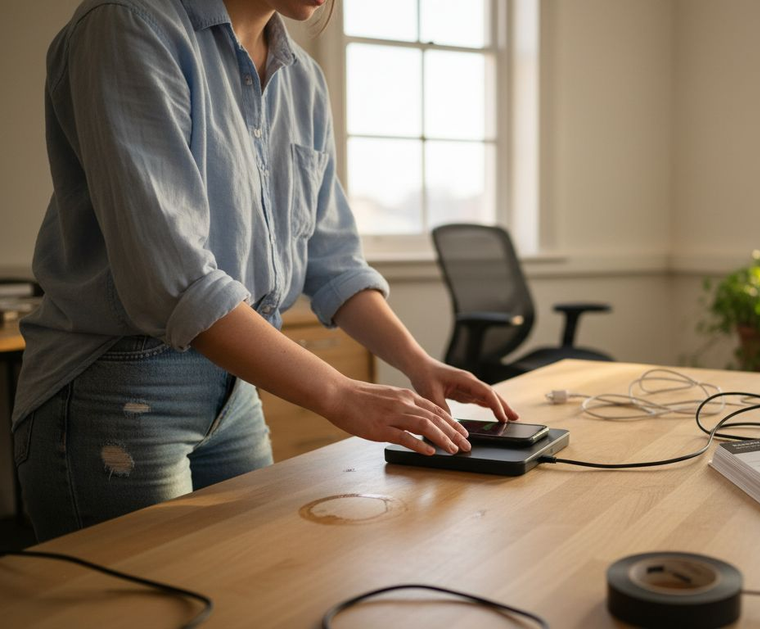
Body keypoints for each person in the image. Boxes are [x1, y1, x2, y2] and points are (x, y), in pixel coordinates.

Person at [11, 0, 518, 543]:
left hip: (238, 388)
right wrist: (341, 394)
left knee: (247, 590)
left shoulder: (303, 80)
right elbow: (173, 281)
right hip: (119, 387)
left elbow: (333, 261)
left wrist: (418, 364)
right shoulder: (129, 24)